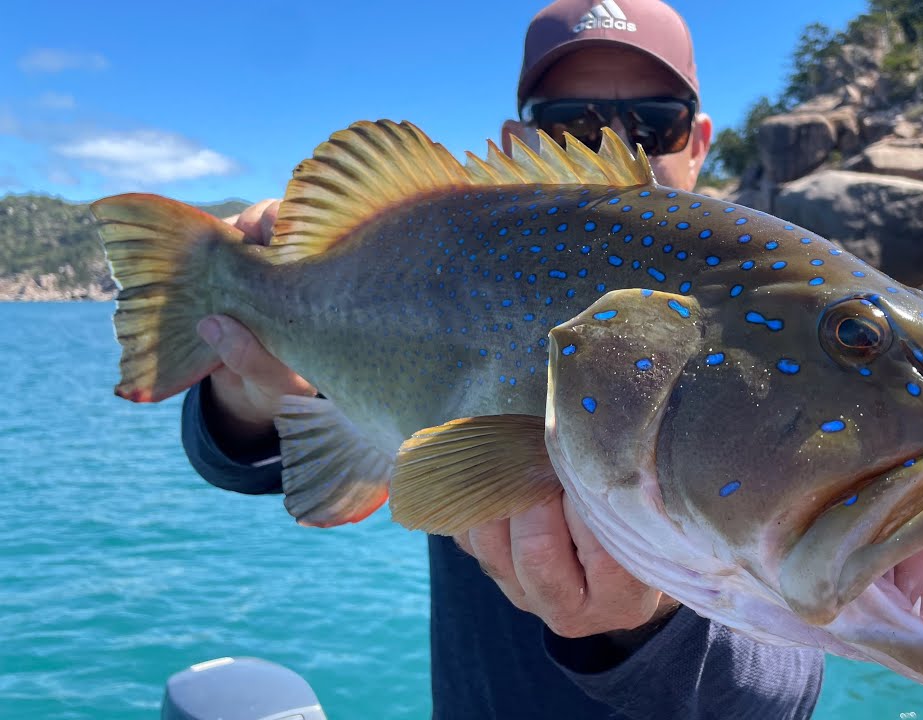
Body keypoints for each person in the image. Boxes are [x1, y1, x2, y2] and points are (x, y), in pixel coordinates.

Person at [181, 1, 825, 717]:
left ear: (698, 140)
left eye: (654, 120)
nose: (617, 141)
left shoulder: (779, 316)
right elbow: (247, 458)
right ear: (518, 140)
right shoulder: (450, 253)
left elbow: (790, 680)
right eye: (570, 123)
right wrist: (248, 394)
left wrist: (647, 632)